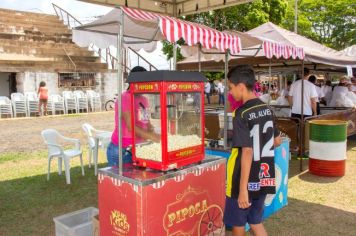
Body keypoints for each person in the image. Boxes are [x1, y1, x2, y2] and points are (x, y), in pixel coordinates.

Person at [224, 65, 281, 236]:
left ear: (241, 86)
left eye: (231, 88)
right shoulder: (267, 109)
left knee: (238, 223)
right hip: (264, 176)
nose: (230, 92)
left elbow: (247, 152)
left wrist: (243, 190)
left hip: (242, 179)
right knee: (255, 221)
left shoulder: (240, 113)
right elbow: (277, 141)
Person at [106, 66, 160, 167]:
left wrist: (152, 130)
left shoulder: (144, 100)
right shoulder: (124, 98)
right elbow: (131, 126)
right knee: (122, 181)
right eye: (144, 82)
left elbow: (146, 121)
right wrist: (153, 137)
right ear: (134, 82)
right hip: (121, 150)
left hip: (139, 148)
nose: (147, 85)